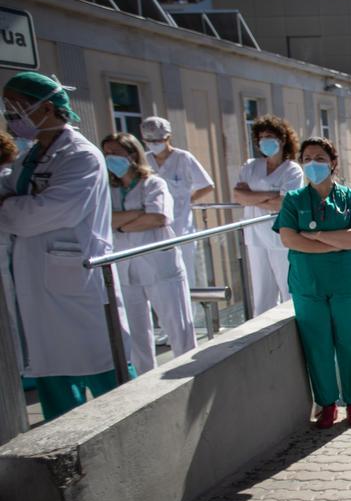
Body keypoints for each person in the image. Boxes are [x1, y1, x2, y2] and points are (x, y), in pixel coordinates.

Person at [0, 72, 133, 419]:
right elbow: (14, 198)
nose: (9, 115)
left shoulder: (81, 157)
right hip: (36, 284)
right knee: (52, 376)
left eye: (16, 107)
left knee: (108, 377)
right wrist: (14, 206)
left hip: (79, 283)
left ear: (46, 108)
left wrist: (11, 207)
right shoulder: (30, 157)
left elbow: (39, 214)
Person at [274, 137, 351, 429]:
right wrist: (336, 242)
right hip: (308, 286)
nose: (312, 164)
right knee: (317, 346)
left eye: (319, 158)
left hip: (346, 283)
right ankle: (327, 404)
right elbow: (289, 239)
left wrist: (315, 237)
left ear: (333, 162)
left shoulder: (349, 198)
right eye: (307, 158)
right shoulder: (294, 200)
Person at [103, 133, 197, 375]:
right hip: (126, 269)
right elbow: (103, 220)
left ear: (132, 154)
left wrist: (120, 225)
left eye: (115, 152)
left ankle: (188, 378)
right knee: (136, 338)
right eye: (107, 153)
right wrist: (137, 215)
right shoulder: (108, 190)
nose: (109, 158)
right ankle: (144, 387)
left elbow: (158, 217)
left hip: (161, 267)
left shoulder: (154, 183)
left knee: (179, 330)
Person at [233, 115, 303, 316]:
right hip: (255, 236)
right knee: (262, 292)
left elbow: (284, 203)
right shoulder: (250, 166)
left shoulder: (292, 170)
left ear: (282, 139)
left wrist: (253, 197)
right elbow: (239, 196)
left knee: (288, 287)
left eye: (269, 136)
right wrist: (270, 196)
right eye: (261, 137)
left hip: (281, 236)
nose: (265, 140)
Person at [140, 117, 215, 285]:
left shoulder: (183, 158)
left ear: (167, 138)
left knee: (186, 278)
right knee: (157, 278)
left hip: (181, 228)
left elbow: (207, 185)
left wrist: (185, 201)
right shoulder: (145, 160)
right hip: (152, 230)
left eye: (158, 140)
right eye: (149, 141)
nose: (154, 144)